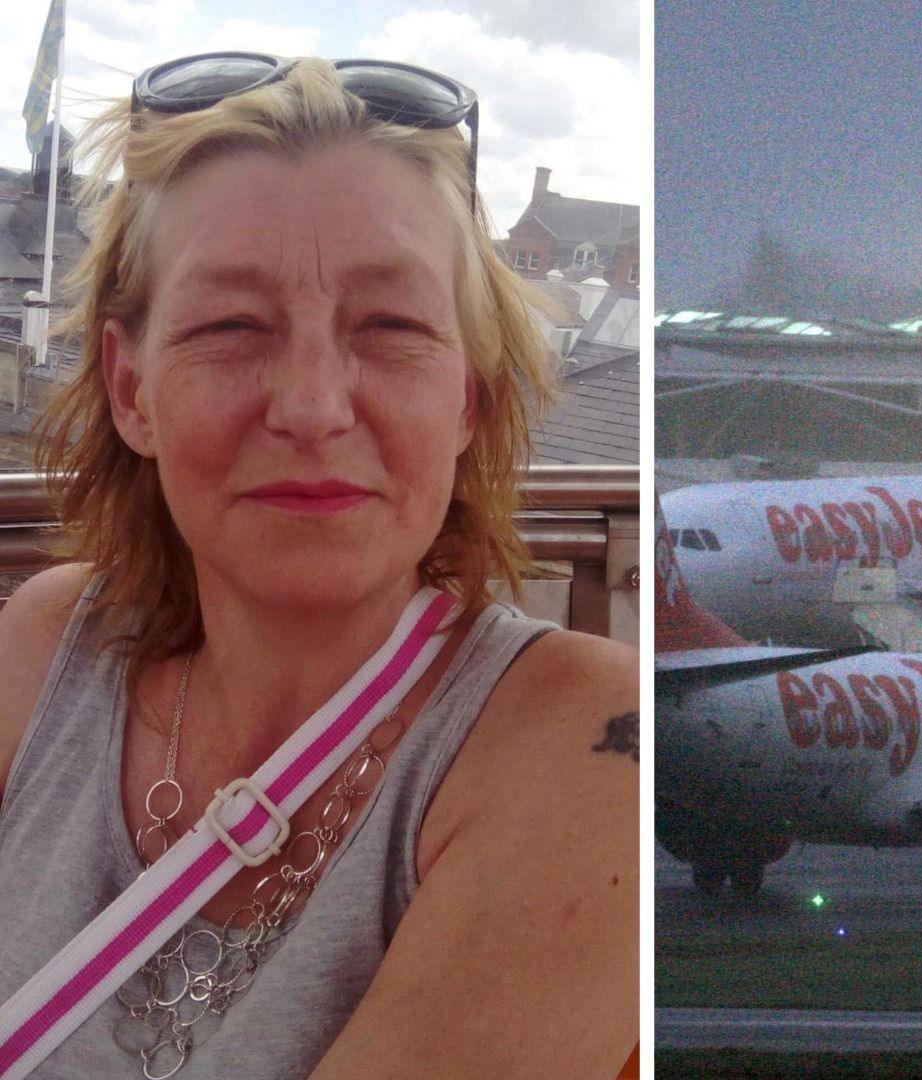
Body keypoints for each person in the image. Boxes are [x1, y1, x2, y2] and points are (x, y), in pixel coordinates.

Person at [0, 55, 638, 1076]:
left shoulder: (585, 748)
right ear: (132, 390)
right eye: (229, 327)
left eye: (390, 328)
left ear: (467, 401)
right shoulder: (45, 650)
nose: (310, 406)